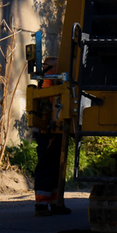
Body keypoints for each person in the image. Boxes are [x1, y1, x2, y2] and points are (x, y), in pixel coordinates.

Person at [33, 57, 71, 217]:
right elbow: (47, 111)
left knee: (57, 167)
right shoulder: (47, 86)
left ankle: (56, 201)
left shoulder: (52, 84)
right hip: (48, 131)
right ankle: (41, 204)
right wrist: (49, 134)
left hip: (55, 131)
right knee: (47, 166)